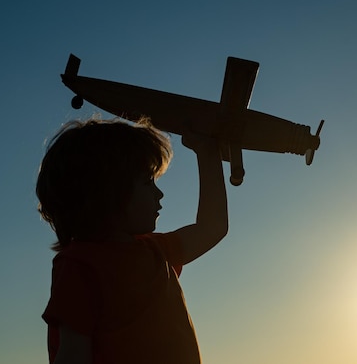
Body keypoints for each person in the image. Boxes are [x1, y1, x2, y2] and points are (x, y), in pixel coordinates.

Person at [36, 117, 228, 364]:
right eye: (147, 182)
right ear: (110, 190)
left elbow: (212, 228)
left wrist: (208, 153)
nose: (159, 194)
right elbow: (73, 354)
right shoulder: (80, 264)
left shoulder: (157, 251)